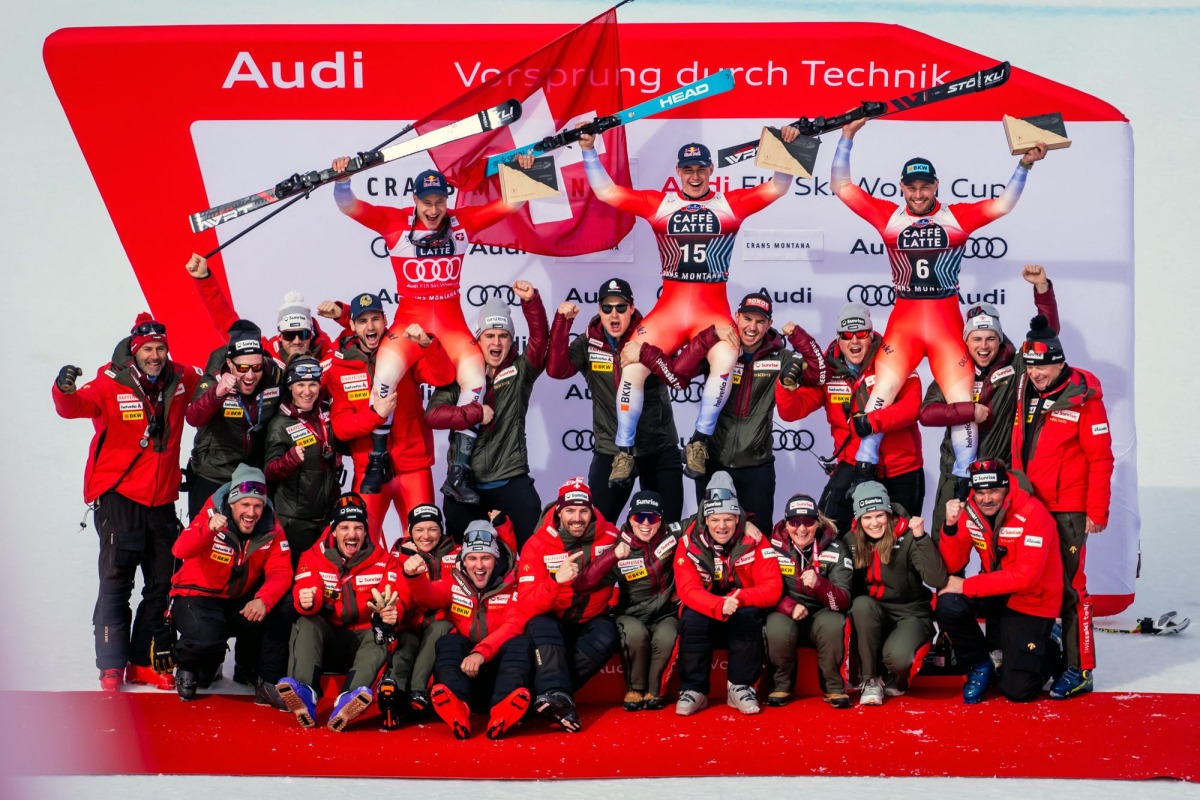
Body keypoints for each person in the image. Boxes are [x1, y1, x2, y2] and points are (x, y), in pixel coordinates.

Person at [832, 117, 1048, 495]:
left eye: (925, 186)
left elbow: (1003, 204)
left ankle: (966, 480)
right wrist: (847, 137)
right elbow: (842, 187)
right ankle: (864, 469)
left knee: (960, 402)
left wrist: (1024, 165)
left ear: (935, 186)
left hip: (946, 319)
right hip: (906, 318)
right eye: (911, 187)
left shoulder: (956, 217)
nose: (918, 194)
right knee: (882, 391)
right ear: (902, 187)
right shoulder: (889, 215)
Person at [578, 125, 800, 484]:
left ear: (711, 171)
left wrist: (787, 149)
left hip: (710, 310)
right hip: (670, 309)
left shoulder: (728, 203)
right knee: (633, 364)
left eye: (701, 169)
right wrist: (589, 149)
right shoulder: (660, 203)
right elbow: (606, 192)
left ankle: (698, 442)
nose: (695, 176)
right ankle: (623, 452)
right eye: (688, 170)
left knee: (727, 359)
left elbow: (778, 186)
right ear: (678, 173)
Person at [331, 155, 532, 501]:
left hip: (451, 328)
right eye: (427, 202)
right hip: (409, 326)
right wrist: (344, 180)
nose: (435, 209)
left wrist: (525, 172)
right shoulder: (396, 223)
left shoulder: (461, 223)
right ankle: (378, 459)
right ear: (415, 201)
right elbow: (348, 206)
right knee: (385, 374)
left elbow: (510, 204)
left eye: (440, 201)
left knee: (476, 380)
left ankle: (460, 471)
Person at [53, 314, 203, 692]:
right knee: (117, 581)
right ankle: (111, 665)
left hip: (163, 500)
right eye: (148, 350)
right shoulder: (108, 381)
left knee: (162, 582)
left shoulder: (180, 378)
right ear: (134, 353)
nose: (155, 356)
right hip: (120, 497)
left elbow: (212, 380)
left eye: (161, 348)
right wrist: (63, 389)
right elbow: (73, 407)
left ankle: (142, 662)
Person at [630, 291, 826, 529]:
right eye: (747, 319)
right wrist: (706, 337)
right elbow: (677, 375)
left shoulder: (781, 357)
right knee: (709, 537)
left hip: (756, 466)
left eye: (760, 321)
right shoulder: (719, 350)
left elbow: (818, 375)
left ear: (769, 324)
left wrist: (798, 335)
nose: (752, 327)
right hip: (712, 462)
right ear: (736, 316)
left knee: (758, 537)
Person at [1010, 315, 1114, 699]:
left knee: (1072, 589)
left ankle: (1081, 668)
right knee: (1032, 581)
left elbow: (1102, 459)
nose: (1037, 374)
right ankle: (1043, 645)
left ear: (1060, 362)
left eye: (1044, 366)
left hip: (1068, 509)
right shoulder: (1025, 386)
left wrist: (1097, 512)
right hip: (1029, 504)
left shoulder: (1085, 398)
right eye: (1031, 366)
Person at [919, 264, 1060, 534]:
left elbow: (1047, 334)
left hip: (1000, 474)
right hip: (956, 473)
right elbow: (926, 413)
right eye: (977, 339)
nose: (984, 346)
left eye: (990, 339)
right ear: (966, 341)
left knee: (1002, 550)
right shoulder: (953, 371)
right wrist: (968, 412)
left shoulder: (1016, 366)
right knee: (945, 548)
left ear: (1000, 339)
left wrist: (1042, 289)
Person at [776, 303, 923, 534]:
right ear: (838, 338)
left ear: (871, 335)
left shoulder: (894, 359)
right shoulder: (828, 370)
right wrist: (785, 386)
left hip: (899, 467)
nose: (854, 341)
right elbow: (791, 412)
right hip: (853, 463)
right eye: (846, 335)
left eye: (861, 334)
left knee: (902, 540)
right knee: (830, 531)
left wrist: (872, 422)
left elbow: (912, 407)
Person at [546, 277, 684, 523]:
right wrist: (561, 324)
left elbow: (677, 376)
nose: (614, 314)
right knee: (598, 528)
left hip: (657, 449)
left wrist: (646, 354)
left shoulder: (652, 333)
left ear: (632, 308)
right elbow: (557, 370)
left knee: (668, 530)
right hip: (611, 451)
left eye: (621, 307)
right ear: (599, 310)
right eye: (607, 308)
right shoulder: (591, 340)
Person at [325, 292, 454, 546]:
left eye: (375, 319)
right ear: (351, 325)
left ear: (385, 320)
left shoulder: (403, 351)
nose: (370, 327)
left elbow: (443, 377)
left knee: (424, 544)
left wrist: (428, 344)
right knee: (361, 544)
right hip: (369, 469)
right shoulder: (340, 368)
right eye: (362, 321)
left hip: (412, 466)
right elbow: (341, 428)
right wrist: (375, 415)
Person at [425, 283, 549, 545]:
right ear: (478, 339)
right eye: (489, 335)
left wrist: (532, 302)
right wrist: (473, 412)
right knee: (460, 557)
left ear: (512, 340)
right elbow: (433, 415)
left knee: (534, 549)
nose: (496, 342)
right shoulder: (460, 372)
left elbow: (539, 342)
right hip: (464, 483)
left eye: (503, 335)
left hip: (510, 478)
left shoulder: (520, 370)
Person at [936, 460, 1064, 703]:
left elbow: (1026, 578)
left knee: (1018, 691)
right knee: (948, 603)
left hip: (1031, 601)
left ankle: (1051, 644)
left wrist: (966, 585)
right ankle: (980, 664)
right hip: (996, 592)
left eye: (993, 491)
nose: (986, 499)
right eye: (981, 492)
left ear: (1006, 488)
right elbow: (953, 565)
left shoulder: (1033, 513)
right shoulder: (971, 509)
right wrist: (950, 527)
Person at [169, 464, 293, 701]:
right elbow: (180, 549)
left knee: (285, 603)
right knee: (205, 641)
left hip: (238, 602)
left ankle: (266, 680)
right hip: (198, 597)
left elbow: (281, 571)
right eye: (245, 504)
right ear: (233, 503)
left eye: (258, 505)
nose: (251, 512)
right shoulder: (212, 513)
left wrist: (263, 599)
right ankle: (188, 665)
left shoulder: (272, 527)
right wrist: (207, 529)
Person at [403, 519, 532, 740]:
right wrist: (415, 578)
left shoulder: (515, 580)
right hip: (466, 676)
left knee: (520, 643)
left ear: (496, 558)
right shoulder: (455, 578)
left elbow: (515, 623)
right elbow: (430, 597)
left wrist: (481, 652)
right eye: (472, 558)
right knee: (448, 641)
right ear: (464, 560)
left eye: (486, 558)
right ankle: (457, 707)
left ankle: (504, 708)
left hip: (499, 672)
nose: (479, 566)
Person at [276, 492, 395, 731]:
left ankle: (350, 699)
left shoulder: (385, 559)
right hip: (328, 640)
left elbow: (394, 594)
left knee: (381, 633)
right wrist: (308, 600)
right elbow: (307, 587)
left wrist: (391, 612)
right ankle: (304, 693)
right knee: (305, 621)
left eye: (358, 528)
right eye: (345, 527)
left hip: (362, 641)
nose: (352, 534)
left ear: (366, 531)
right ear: (333, 530)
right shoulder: (313, 556)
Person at [672, 473, 782, 716]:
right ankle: (693, 689)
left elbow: (772, 587)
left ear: (738, 518)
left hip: (741, 603)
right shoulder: (688, 541)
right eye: (715, 519)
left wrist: (739, 598)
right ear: (705, 519)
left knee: (748, 615)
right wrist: (717, 604)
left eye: (728, 519)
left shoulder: (755, 539)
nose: (722, 526)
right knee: (692, 618)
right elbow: (688, 590)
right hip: (706, 603)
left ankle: (740, 686)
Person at [517, 478, 621, 732]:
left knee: (608, 634)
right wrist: (555, 580)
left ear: (592, 511)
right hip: (553, 616)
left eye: (583, 510)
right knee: (540, 625)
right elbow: (527, 605)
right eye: (570, 511)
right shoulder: (537, 544)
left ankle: (551, 697)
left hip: (592, 617)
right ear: (559, 511)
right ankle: (555, 694)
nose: (577, 518)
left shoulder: (611, 536)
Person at [573, 490, 680, 711]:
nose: (646, 524)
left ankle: (654, 691)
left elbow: (704, 519)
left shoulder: (672, 536)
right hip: (630, 613)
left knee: (667, 637)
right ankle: (635, 688)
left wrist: (746, 524)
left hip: (664, 613)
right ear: (630, 519)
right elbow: (583, 584)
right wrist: (612, 555)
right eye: (639, 517)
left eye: (653, 518)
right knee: (635, 635)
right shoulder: (620, 547)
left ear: (661, 521)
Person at [844, 481, 948, 706]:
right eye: (867, 517)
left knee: (897, 658)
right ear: (858, 519)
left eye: (879, 515)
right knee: (861, 604)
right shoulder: (851, 540)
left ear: (888, 512)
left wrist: (921, 537)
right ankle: (871, 679)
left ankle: (899, 675)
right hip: (876, 613)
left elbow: (936, 579)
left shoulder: (908, 535)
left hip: (910, 613)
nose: (874, 523)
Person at [184, 319, 284, 519]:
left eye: (256, 368)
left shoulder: (275, 376)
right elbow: (194, 417)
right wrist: (217, 394)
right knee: (205, 537)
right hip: (213, 472)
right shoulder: (214, 379)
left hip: (253, 474)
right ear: (230, 364)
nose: (249, 376)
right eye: (243, 368)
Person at [764, 493, 853, 709]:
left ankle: (833, 687)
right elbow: (763, 590)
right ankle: (781, 684)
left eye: (808, 522)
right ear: (786, 524)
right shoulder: (771, 546)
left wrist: (820, 585)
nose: (801, 529)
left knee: (834, 623)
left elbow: (843, 601)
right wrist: (789, 606)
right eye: (795, 522)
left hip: (823, 612)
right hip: (785, 610)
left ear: (818, 522)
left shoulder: (835, 548)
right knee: (776, 627)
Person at [185, 254, 340, 369]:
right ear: (280, 335)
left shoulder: (332, 355)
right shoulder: (265, 353)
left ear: (312, 334)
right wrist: (204, 279)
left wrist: (342, 314)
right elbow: (227, 324)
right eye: (289, 335)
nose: (297, 341)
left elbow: (361, 341)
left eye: (303, 334)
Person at [263, 355, 341, 561]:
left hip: (326, 517)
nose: (307, 392)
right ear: (290, 386)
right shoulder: (280, 423)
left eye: (313, 384)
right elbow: (269, 471)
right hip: (294, 521)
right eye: (300, 385)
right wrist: (289, 460)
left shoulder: (326, 412)